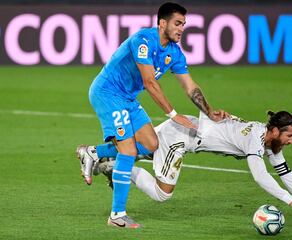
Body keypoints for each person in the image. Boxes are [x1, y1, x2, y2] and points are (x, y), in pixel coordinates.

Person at [77, 2, 228, 229]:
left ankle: (94, 152)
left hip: (127, 98)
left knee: (150, 144)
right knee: (127, 150)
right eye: (177, 23)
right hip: (108, 92)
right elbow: (149, 82)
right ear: (162, 23)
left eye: (184, 25)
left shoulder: (174, 53)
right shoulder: (143, 41)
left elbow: (189, 85)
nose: (181, 29)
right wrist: (173, 114)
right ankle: (117, 215)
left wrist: (208, 111)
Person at [85, 111, 292, 218]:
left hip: (187, 130)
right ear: (274, 131)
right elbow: (261, 177)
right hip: (180, 138)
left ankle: (98, 154)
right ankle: (112, 167)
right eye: (289, 136)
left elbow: (285, 173)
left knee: (140, 149)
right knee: (162, 194)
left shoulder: (270, 142)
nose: (291, 141)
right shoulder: (254, 139)